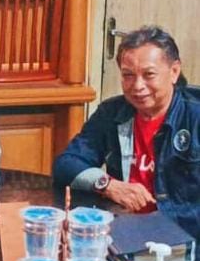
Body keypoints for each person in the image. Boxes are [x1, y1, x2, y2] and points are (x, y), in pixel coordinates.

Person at [53, 25, 199, 239]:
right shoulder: (111, 113)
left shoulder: (194, 116)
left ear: (174, 72)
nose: (137, 86)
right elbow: (66, 164)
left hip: (185, 241)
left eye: (149, 75)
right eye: (128, 75)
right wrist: (108, 185)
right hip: (124, 233)